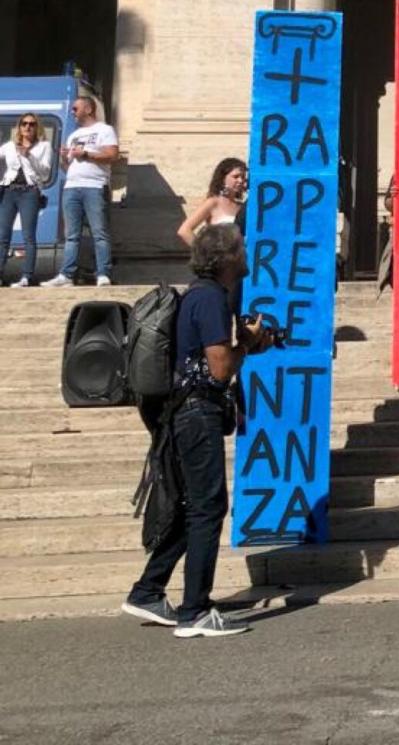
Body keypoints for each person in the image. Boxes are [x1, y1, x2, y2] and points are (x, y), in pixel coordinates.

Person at [122, 223, 272, 638]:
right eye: (240, 250)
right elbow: (220, 368)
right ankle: (195, 612)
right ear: (226, 259)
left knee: (193, 508)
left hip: (182, 412)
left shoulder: (200, 295)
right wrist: (249, 344)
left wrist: (243, 342)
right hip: (196, 413)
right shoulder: (210, 299)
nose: (246, 256)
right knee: (208, 508)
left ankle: (148, 590)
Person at [46, 95, 119, 287]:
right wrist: (63, 158)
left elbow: (112, 155)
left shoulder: (105, 130)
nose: (72, 112)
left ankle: (103, 273)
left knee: (99, 232)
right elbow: (66, 167)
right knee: (71, 234)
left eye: (75, 108)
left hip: (94, 186)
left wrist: (86, 153)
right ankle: (66, 275)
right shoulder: (73, 135)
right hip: (71, 187)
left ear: (89, 109)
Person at [0, 112, 54, 286]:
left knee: (28, 235)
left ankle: (26, 276)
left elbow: (45, 173)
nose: (27, 127)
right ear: (19, 127)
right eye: (24, 124)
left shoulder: (44, 146)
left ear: (37, 127)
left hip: (29, 192)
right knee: (3, 235)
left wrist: (29, 155)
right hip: (9, 191)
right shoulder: (9, 146)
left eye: (31, 124)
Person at [177, 158, 248, 247]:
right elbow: (184, 230)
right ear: (223, 178)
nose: (240, 181)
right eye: (236, 177)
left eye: (243, 178)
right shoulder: (213, 203)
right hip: (218, 257)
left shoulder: (242, 207)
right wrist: (203, 254)